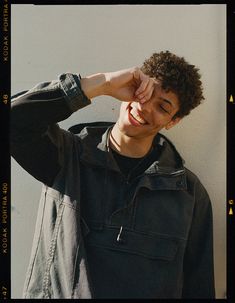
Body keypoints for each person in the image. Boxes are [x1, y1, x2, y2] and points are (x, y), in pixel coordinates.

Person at [11, 51, 215, 299]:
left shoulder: (189, 194)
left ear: (173, 121)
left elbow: (199, 287)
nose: (144, 108)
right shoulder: (66, 157)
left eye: (162, 107)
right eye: (144, 92)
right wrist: (102, 84)